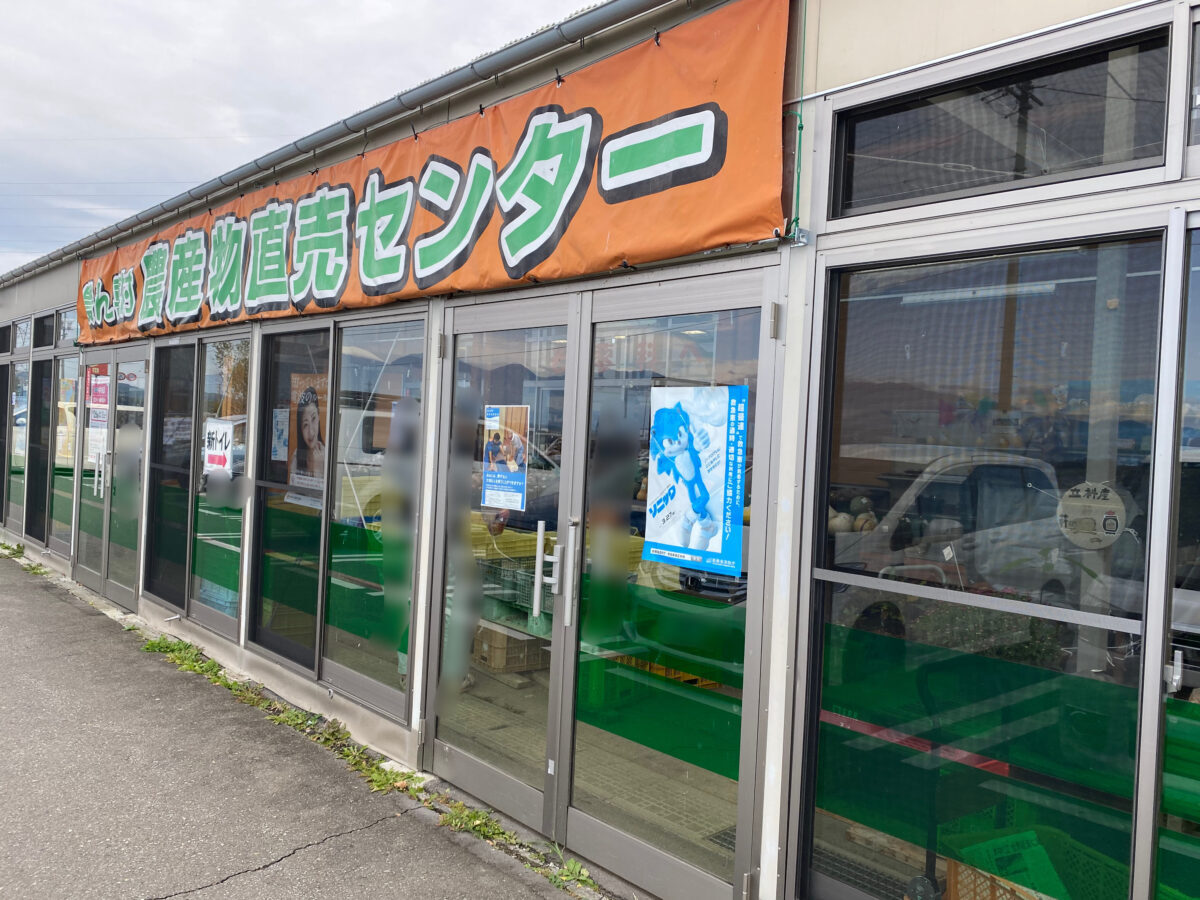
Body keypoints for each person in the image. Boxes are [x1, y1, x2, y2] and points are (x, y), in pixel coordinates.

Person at [291, 387, 325, 481]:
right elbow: (293, 491)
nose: (311, 432)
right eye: (305, 425)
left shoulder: (328, 455)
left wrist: (318, 468)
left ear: (319, 417)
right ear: (300, 429)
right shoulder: (296, 456)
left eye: (313, 419)